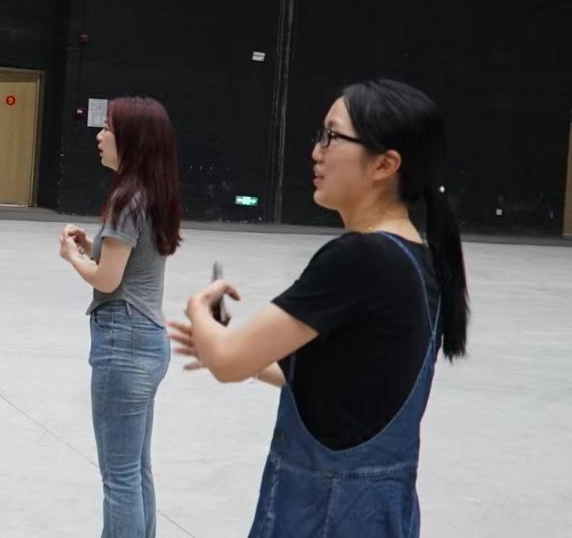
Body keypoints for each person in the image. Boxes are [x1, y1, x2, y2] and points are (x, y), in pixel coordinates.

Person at [168, 79, 470, 538]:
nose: (316, 152)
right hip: (378, 511)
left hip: (324, 512)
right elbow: (344, 387)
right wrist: (241, 353)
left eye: (332, 137)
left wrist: (198, 310)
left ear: (385, 164)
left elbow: (227, 362)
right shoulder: (415, 258)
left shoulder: (360, 258)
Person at [59, 97, 182, 538]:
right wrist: (89, 246)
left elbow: (108, 280)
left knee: (119, 478)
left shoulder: (125, 200)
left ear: (132, 140)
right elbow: (125, 265)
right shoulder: (152, 195)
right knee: (136, 469)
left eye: (108, 128)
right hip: (149, 339)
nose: (100, 135)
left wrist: (72, 256)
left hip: (123, 343)